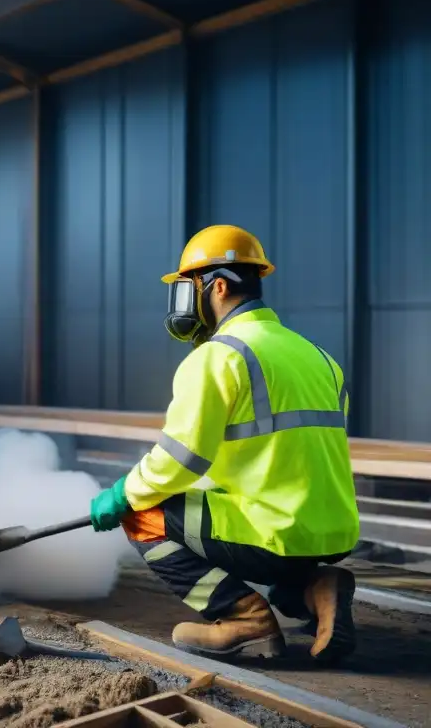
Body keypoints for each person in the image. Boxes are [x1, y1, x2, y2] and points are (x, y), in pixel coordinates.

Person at [88, 225, 360, 664]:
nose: (184, 304)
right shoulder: (318, 356)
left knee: (146, 514)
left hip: (274, 532)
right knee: (260, 551)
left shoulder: (219, 356)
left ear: (216, 286)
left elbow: (178, 462)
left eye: (187, 289)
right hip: (332, 530)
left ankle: (244, 618)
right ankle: (315, 588)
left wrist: (122, 493)